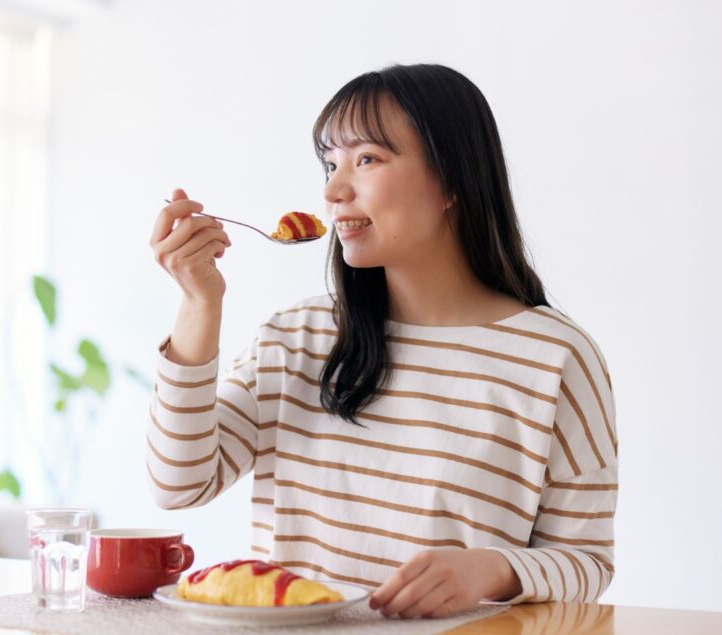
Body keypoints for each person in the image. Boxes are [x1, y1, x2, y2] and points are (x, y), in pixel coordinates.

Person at [147, 63, 617, 619]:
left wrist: (491, 567)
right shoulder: (296, 339)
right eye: (329, 163)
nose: (332, 189)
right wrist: (201, 303)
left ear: (451, 180)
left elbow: (587, 561)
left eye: (367, 159)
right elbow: (179, 481)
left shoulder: (555, 358)